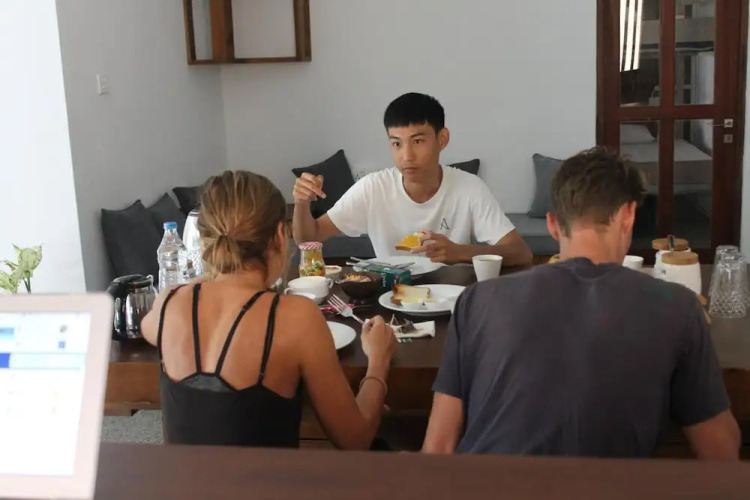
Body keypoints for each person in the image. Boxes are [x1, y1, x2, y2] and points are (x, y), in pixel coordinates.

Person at [422, 147, 740, 459]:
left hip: (483, 483)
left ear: (552, 224)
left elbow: (437, 448)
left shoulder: (477, 300)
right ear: (629, 216)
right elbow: (720, 450)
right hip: (610, 485)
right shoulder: (678, 307)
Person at [141, 171, 396, 449]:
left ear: (206, 239)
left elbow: (147, 328)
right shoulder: (296, 317)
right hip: (267, 478)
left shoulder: (168, 304)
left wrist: (215, 274)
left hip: (180, 478)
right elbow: (355, 439)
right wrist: (378, 361)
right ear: (280, 236)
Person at [292, 92, 532, 266]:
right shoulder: (373, 188)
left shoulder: (469, 188)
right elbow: (308, 238)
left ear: (442, 139)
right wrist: (302, 203)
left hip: (452, 300)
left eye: (417, 141)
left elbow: (521, 253)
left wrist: (459, 252)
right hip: (390, 298)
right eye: (397, 144)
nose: (406, 156)